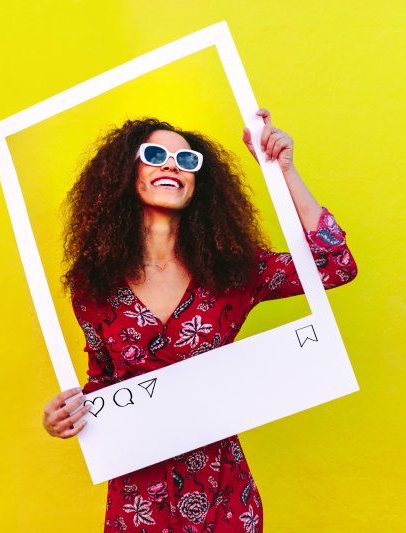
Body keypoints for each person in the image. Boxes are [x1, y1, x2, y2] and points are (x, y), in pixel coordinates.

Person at [42, 109, 357, 532]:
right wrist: (66, 416)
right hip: (139, 497)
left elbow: (334, 264)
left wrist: (285, 173)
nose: (172, 164)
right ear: (126, 171)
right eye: (155, 154)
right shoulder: (92, 284)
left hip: (222, 490)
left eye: (188, 161)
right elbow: (104, 381)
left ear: (199, 185)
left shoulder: (231, 271)